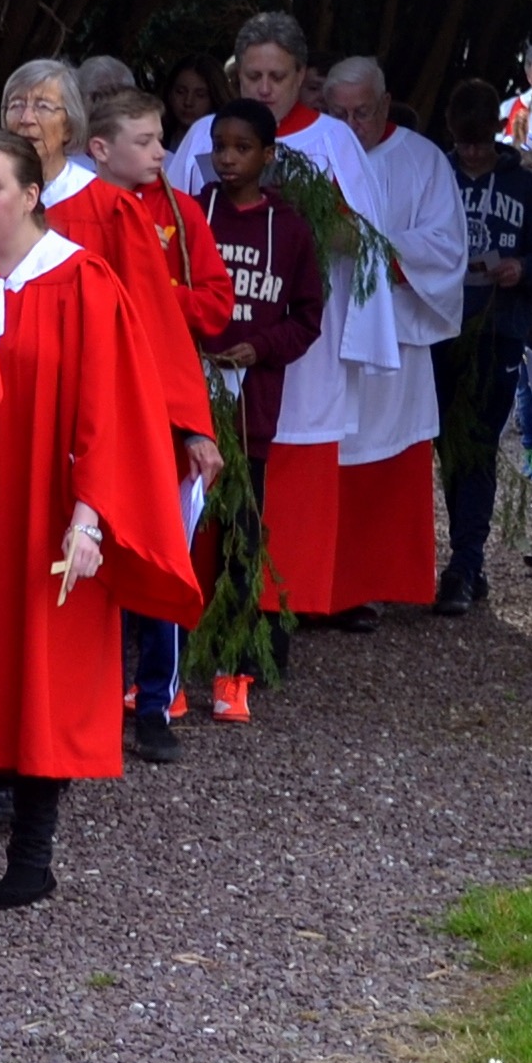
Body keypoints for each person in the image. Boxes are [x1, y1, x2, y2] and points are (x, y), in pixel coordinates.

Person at [0, 131, 201, 908]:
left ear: (31, 195)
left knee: (42, 673)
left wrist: (90, 516)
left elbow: (111, 408)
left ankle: (33, 854)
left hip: (49, 512)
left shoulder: (84, 283)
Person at [169, 15, 397, 632]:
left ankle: (276, 611)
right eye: (253, 76)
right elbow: (174, 229)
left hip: (299, 337)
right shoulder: (205, 137)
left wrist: (303, 221)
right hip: (218, 337)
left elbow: (368, 239)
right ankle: (204, 608)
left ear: (302, 75)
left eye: (277, 75)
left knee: (285, 476)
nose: (265, 87)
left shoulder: (334, 141)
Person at [42, 85, 232, 759]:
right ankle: (78, 704)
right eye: (146, 141)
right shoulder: (43, 206)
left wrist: (190, 422)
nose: (161, 153)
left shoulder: (174, 212)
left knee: (154, 546)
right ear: (99, 147)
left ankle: (155, 705)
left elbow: (184, 317)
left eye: (160, 139)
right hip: (70, 407)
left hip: (148, 403)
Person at [316, 57, 468, 624]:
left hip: (394, 346)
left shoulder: (422, 161)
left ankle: (364, 588)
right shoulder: (310, 155)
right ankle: (313, 586)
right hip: (321, 340)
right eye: (338, 114)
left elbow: (446, 248)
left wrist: (372, 245)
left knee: (380, 461)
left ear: (384, 105)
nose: (350, 125)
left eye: (361, 112)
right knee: (321, 458)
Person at [190, 102, 327, 721]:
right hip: (187, 402)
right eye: (220, 146)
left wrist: (262, 347)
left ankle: (235, 671)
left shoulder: (289, 229)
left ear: (268, 156)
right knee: (180, 533)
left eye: (242, 147)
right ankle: (164, 670)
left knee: (242, 542)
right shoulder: (193, 214)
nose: (227, 158)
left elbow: (307, 317)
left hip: (250, 410)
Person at [431, 127, 532, 612]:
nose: (472, 150)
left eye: (480, 139)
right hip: (438, 329)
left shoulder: (525, 187)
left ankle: (465, 563)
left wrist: (522, 268)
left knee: (479, 444)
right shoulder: (436, 175)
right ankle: (469, 560)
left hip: (499, 330)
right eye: (464, 139)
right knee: (449, 444)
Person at [0, 58, 82, 187]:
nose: (26, 119)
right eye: (17, 105)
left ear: (68, 127)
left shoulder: (101, 197)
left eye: (43, 107)